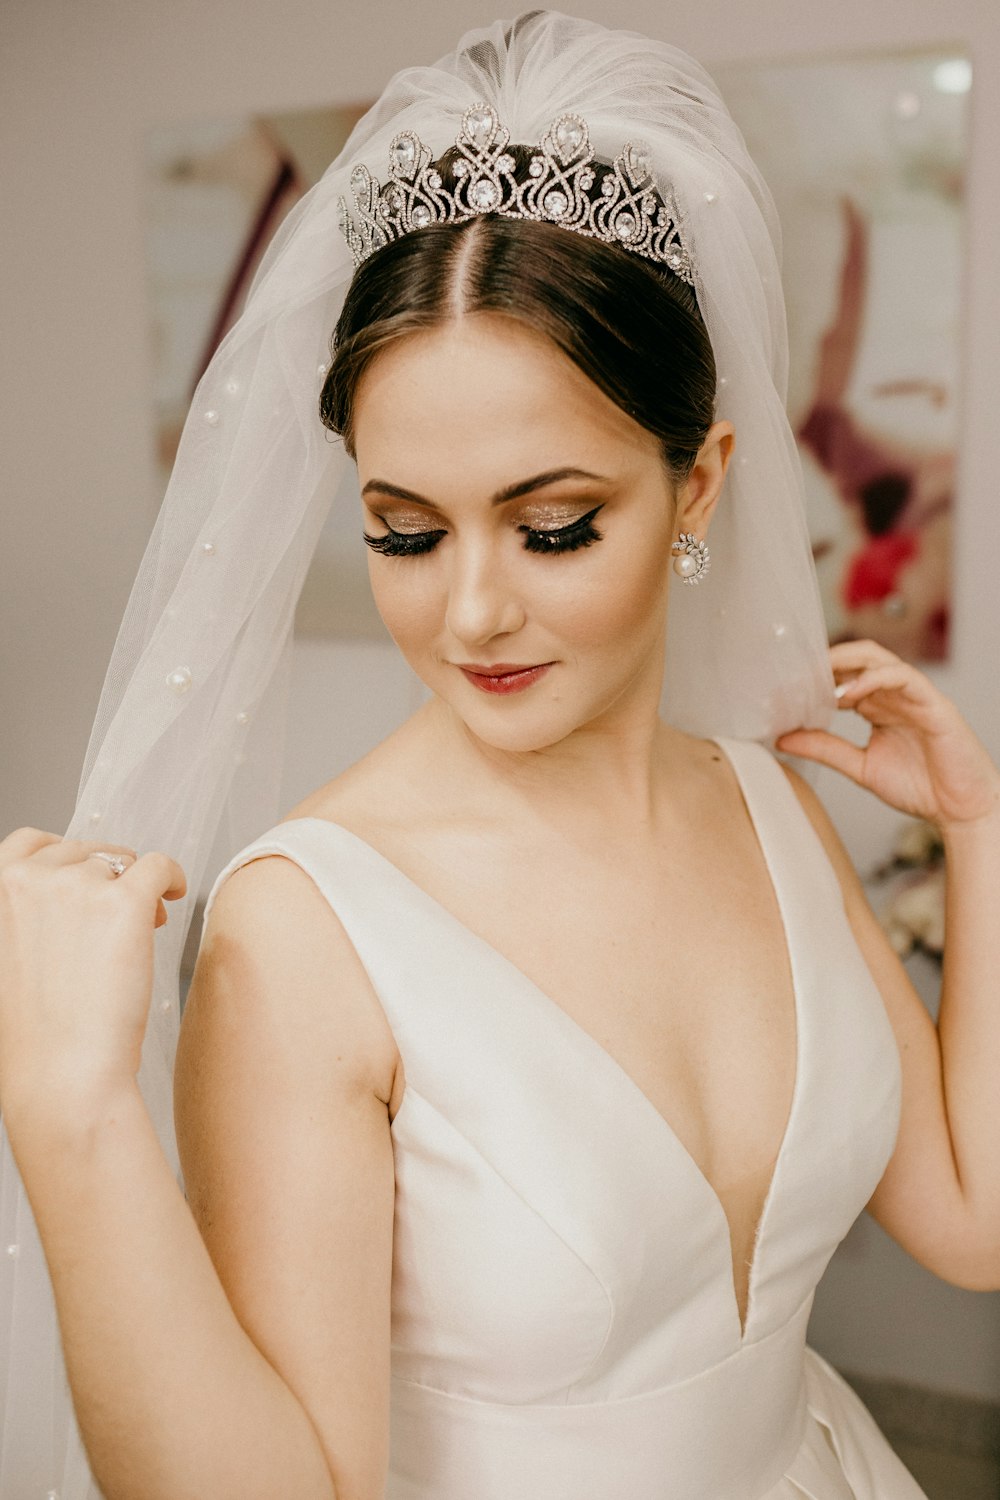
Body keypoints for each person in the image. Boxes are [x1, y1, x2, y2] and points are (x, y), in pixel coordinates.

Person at [1, 11, 998, 1499]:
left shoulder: (770, 801)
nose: (469, 610)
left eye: (552, 526)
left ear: (698, 484)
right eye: (403, 532)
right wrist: (67, 1116)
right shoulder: (307, 934)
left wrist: (980, 832)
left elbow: (974, 1223)